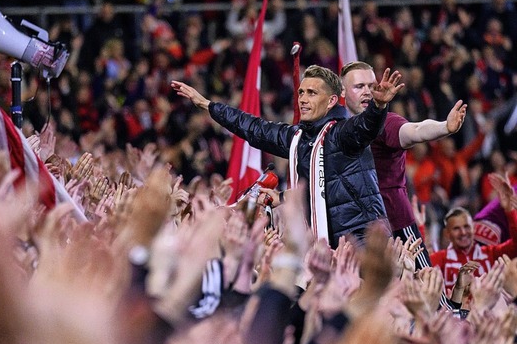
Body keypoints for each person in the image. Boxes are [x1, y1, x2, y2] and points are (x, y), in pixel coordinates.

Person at [171, 64, 404, 248]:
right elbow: (254, 128)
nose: (302, 99)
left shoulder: (343, 133)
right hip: (327, 243)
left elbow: (365, 127)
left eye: (312, 93)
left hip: (364, 239)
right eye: (301, 92)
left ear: (332, 100)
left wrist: (378, 107)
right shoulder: (297, 138)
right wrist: (208, 105)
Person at [339, 61, 467, 266]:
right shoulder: (336, 130)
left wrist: (445, 127)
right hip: (354, 227)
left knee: (425, 288)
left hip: (395, 224)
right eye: (359, 87)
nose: (367, 92)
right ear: (342, 93)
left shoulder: (387, 122)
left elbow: (414, 131)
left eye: (372, 86)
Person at [430, 173, 517, 289]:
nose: (463, 232)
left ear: (473, 228)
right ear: (447, 233)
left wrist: (509, 211)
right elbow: (418, 268)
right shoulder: (440, 259)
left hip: (489, 306)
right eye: (456, 228)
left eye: (467, 227)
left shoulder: (490, 253)